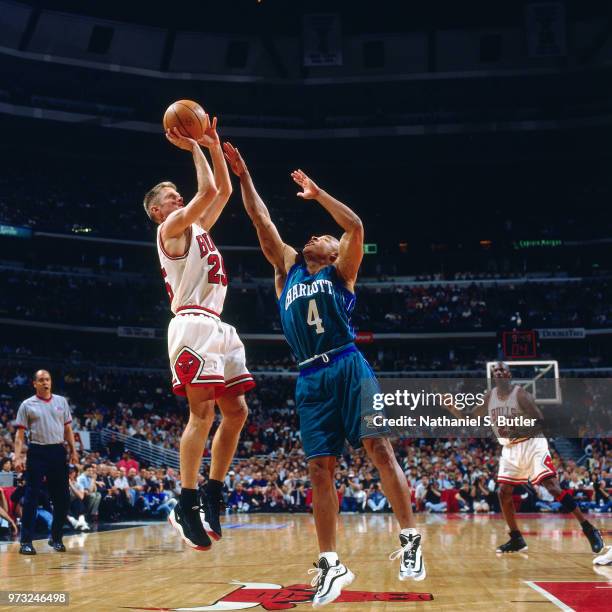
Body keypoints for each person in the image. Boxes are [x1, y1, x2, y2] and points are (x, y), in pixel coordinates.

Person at [224, 143, 426, 608]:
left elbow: (354, 226)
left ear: (335, 251)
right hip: (309, 378)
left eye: (323, 235)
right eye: (315, 232)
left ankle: (411, 539)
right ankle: (331, 562)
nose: (316, 234)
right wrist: (244, 175)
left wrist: (317, 195)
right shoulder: (288, 271)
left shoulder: (342, 272)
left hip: (347, 363)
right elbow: (262, 221)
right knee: (319, 469)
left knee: (379, 447)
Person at [143, 119, 254, 551]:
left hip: (218, 323)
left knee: (237, 411)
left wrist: (210, 145)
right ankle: (185, 501)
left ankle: (212, 490)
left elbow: (221, 192)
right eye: (171, 196)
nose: (178, 197)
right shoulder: (168, 230)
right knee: (202, 414)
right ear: (157, 210)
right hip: (191, 322)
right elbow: (207, 192)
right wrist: (194, 146)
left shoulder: (197, 228)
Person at [444, 361, 604, 554]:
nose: (499, 372)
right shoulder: (489, 397)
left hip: (532, 443)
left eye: (503, 369)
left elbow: (540, 421)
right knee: (503, 492)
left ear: (509, 374)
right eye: (496, 370)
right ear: (493, 376)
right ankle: (516, 538)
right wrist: (452, 409)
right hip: (510, 449)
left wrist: (517, 429)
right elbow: (470, 418)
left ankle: (589, 528)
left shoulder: (521, 395)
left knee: (552, 487)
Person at [13, 370, 79, 554]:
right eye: (41, 380)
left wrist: (73, 451)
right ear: (34, 383)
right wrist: (17, 457)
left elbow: (68, 430)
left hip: (58, 451)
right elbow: (19, 436)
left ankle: (56, 538)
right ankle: (26, 542)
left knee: (63, 499)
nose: (45, 383)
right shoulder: (27, 405)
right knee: (32, 497)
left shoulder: (61, 402)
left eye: (48, 379)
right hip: (37, 451)